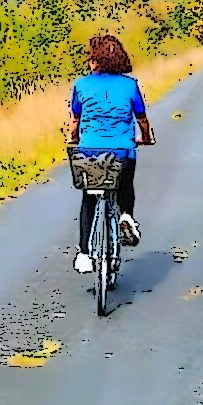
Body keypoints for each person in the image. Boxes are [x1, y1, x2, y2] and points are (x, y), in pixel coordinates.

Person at [68, 34, 155, 274]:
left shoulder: (81, 85)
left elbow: (75, 120)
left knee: (89, 199)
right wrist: (145, 138)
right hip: (122, 151)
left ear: (95, 59)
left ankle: (84, 254)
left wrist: (74, 139)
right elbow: (142, 119)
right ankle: (126, 216)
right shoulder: (130, 85)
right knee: (125, 184)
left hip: (88, 152)